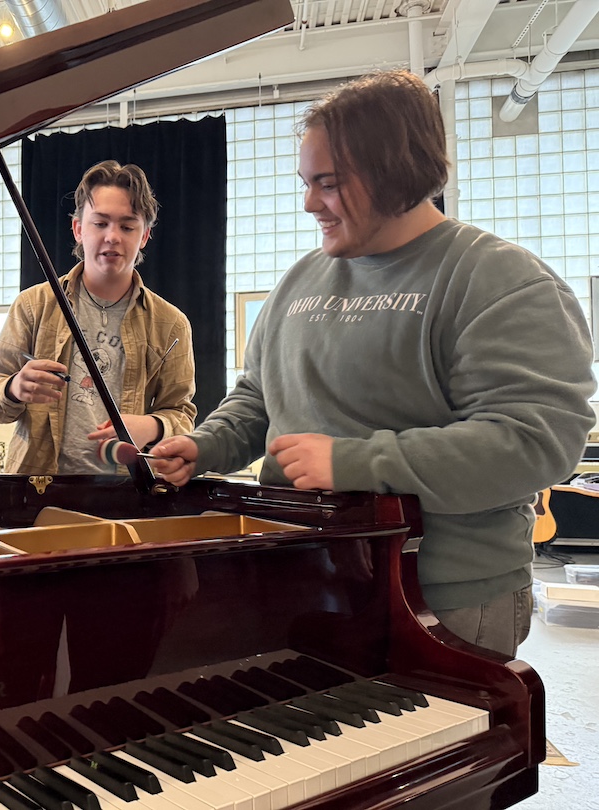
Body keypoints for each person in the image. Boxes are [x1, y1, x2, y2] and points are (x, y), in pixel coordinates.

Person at [150, 69, 595, 658]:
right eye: (307, 183)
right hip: (301, 580)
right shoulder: (299, 281)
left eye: (327, 183)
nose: (310, 203)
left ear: (392, 169)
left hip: (442, 597)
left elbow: (533, 443)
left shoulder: (499, 280)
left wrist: (355, 462)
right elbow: (258, 397)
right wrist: (204, 447)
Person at [0, 160, 196, 475]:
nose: (112, 237)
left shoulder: (172, 324)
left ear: (145, 235)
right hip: (36, 488)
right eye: (100, 223)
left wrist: (151, 426)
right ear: (79, 229)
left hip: (128, 494)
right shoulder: (33, 305)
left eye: (127, 225)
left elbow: (182, 415)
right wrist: (15, 388)